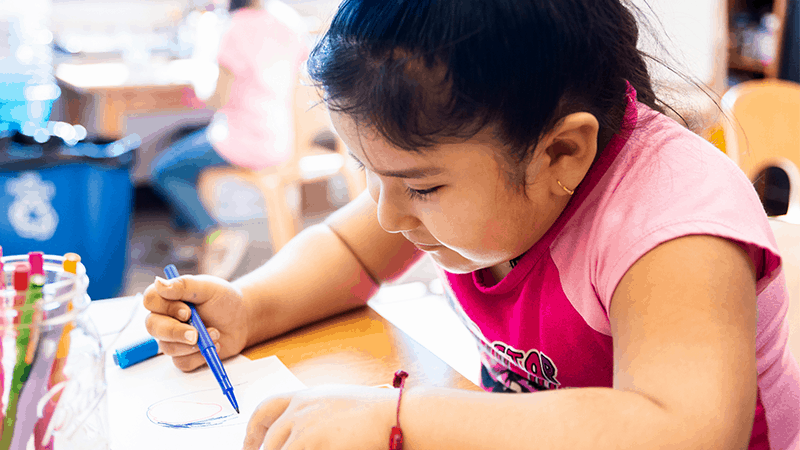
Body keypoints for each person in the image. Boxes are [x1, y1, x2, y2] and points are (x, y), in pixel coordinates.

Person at [143, 0, 800, 449]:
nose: (386, 213)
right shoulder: (469, 177)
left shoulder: (673, 226)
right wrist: (251, 307)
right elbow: (351, 250)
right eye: (371, 174)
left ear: (561, 153)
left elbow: (680, 431)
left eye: (420, 186)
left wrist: (400, 417)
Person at [150, 0, 309, 279]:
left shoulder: (234, 28)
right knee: (186, 147)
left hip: (244, 140)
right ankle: (190, 244)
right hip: (281, 137)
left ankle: (214, 232)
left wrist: (201, 84)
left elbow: (217, 99)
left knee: (164, 169)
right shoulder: (289, 22)